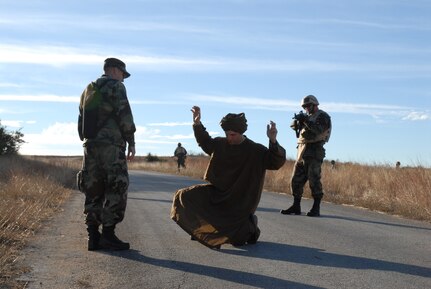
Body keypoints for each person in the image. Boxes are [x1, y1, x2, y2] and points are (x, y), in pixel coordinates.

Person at [171, 106, 286, 249]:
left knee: (237, 240)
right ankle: (203, 231)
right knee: (184, 196)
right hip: (218, 194)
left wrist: (273, 141)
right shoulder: (220, 144)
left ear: (241, 132)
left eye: (233, 135)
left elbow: (276, 162)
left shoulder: (256, 150)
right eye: (227, 134)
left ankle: (250, 226)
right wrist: (197, 123)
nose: (229, 138)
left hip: (240, 203)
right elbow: (205, 141)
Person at [77, 57, 136, 251]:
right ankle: (108, 235)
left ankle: (93, 237)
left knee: (93, 188)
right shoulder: (116, 87)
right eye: (122, 74)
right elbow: (124, 114)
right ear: (114, 70)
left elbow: (81, 120)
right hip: (111, 145)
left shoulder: (88, 89)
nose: (123, 79)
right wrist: (131, 141)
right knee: (116, 186)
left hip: (90, 146)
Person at [280, 95, 331, 217]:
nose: (306, 108)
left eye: (308, 106)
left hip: (314, 151)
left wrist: (306, 121)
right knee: (295, 180)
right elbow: (294, 127)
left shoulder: (323, 116)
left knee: (314, 180)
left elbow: (318, 130)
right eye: (305, 107)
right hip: (302, 151)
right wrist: (298, 121)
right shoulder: (307, 117)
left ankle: (316, 207)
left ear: (315, 105)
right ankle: (296, 206)